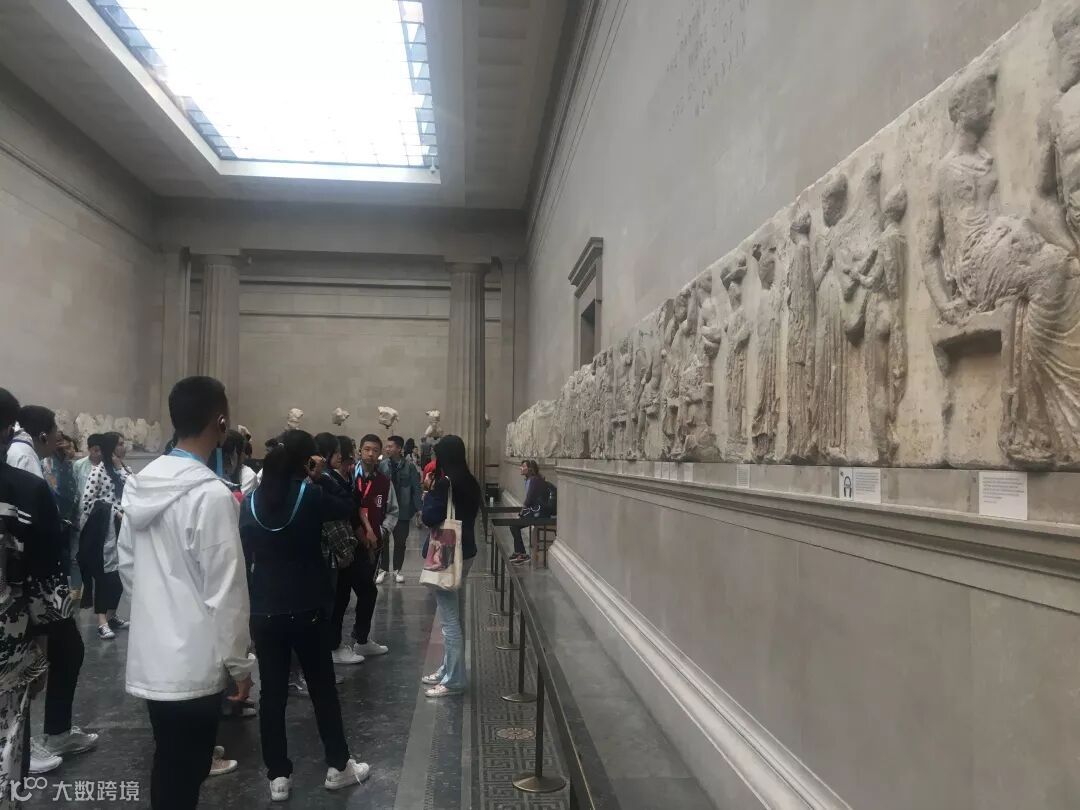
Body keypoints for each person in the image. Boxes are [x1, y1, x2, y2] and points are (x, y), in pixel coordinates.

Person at [117, 376, 254, 810]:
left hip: (153, 654)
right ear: (221, 422)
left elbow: (127, 565)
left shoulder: (140, 483)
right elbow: (226, 590)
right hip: (196, 661)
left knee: (169, 763)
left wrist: (157, 614)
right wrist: (240, 664)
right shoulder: (211, 495)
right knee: (188, 769)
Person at [240, 430, 369, 801]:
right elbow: (348, 505)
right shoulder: (310, 495)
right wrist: (321, 476)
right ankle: (338, 765)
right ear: (306, 461)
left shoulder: (250, 502)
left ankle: (278, 776)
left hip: (264, 609)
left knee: (272, 694)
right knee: (322, 689)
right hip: (307, 606)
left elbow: (245, 555)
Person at [0, 388, 71, 791]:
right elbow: (46, 577)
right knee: (9, 738)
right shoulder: (27, 489)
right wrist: (41, 651)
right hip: (9, 638)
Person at [30, 431, 96, 773]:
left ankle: (54, 732)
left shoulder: (46, 464)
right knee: (27, 666)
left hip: (41, 581)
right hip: (33, 583)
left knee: (67, 651)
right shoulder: (26, 466)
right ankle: (22, 744)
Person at [420, 435, 481, 697]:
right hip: (466, 550)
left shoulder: (446, 483)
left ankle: (454, 679)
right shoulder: (470, 481)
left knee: (449, 620)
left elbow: (430, 517)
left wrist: (428, 492)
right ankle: (448, 668)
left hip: (448, 552)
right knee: (455, 615)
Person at [329, 434, 394, 665]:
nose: (369, 454)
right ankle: (336, 645)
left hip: (368, 544)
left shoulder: (383, 481)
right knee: (342, 595)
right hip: (346, 545)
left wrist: (379, 532)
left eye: (374, 450)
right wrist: (363, 533)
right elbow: (352, 510)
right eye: (365, 449)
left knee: (366, 591)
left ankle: (361, 639)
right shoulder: (341, 478)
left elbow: (388, 510)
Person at [77, 432, 130, 639]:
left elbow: (135, 489)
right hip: (104, 531)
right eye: (120, 444)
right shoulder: (98, 471)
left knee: (121, 574)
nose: (123, 447)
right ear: (111, 447)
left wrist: (120, 468)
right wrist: (113, 511)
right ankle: (101, 620)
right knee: (105, 575)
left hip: (124, 528)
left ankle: (112, 614)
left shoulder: (124, 469)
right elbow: (87, 502)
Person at [378, 435, 421, 584]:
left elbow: (416, 488)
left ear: (399, 448)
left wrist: (418, 509)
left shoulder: (409, 467)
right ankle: (383, 569)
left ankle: (397, 570)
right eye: (387, 446)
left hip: (403, 510)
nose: (387, 449)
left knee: (400, 542)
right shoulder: (382, 466)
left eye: (390, 446)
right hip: (385, 510)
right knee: (383, 541)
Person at [507, 460, 551, 565]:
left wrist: (521, 514)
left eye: (523, 466)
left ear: (530, 469)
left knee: (514, 525)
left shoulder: (534, 480)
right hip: (537, 511)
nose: (520, 468)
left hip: (539, 513)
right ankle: (519, 552)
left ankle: (521, 554)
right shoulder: (533, 479)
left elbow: (529, 500)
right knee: (514, 525)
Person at [6, 405, 59, 480]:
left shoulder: (14, 447)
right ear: (43, 437)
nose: (57, 439)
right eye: (55, 432)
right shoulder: (27, 459)